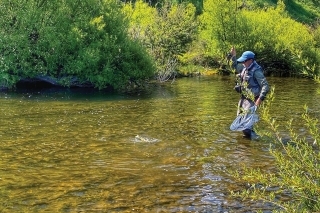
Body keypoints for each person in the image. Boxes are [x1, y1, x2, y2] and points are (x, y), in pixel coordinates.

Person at [229, 47, 270, 138]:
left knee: (246, 126)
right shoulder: (245, 67)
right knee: (241, 122)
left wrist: (259, 99)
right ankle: (248, 144)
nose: (243, 63)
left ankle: (255, 143)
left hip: (252, 101)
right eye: (242, 61)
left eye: (244, 61)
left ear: (250, 60)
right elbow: (234, 66)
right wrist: (233, 55)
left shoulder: (256, 71)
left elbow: (266, 86)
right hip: (243, 100)